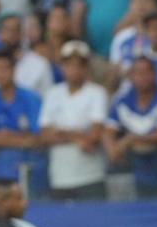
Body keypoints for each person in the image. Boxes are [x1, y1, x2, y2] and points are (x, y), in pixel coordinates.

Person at [38, 40, 108, 200]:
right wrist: (78, 136)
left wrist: (62, 133)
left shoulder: (97, 93)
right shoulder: (52, 94)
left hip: (90, 176)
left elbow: (95, 134)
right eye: (68, 64)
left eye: (79, 65)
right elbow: (44, 135)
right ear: (62, 67)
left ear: (86, 68)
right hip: (60, 177)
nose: (73, 70)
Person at [103, 55, 157, 198]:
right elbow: (108, 130)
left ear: (154, 74)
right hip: (133, 170)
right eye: (137, 72)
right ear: (130, 75)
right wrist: (112, 149)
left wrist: (131, 139)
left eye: (146, 72)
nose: (142, 77)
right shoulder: (122, 99)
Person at [0, 48, 41, 185]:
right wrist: (19, 137)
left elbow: (36, 139)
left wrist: (2, 135)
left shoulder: (30, 98)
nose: (1, 74)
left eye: (5, 68)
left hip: (29, 172)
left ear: (14, 69)